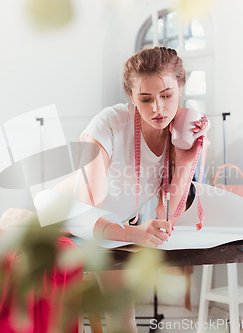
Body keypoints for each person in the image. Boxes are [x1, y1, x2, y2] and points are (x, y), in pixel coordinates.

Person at [55, 46, 209, 333]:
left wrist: (186, 160)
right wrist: (134, 232)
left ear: (181, 88)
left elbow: (167, 220)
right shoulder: (109, 124)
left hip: (110, 229)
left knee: (121, 313)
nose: (158, 109)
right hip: (63, 216)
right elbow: (90, 207)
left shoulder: (178, 134)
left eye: (167, 96)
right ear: (131, 97)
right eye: (145, 99)